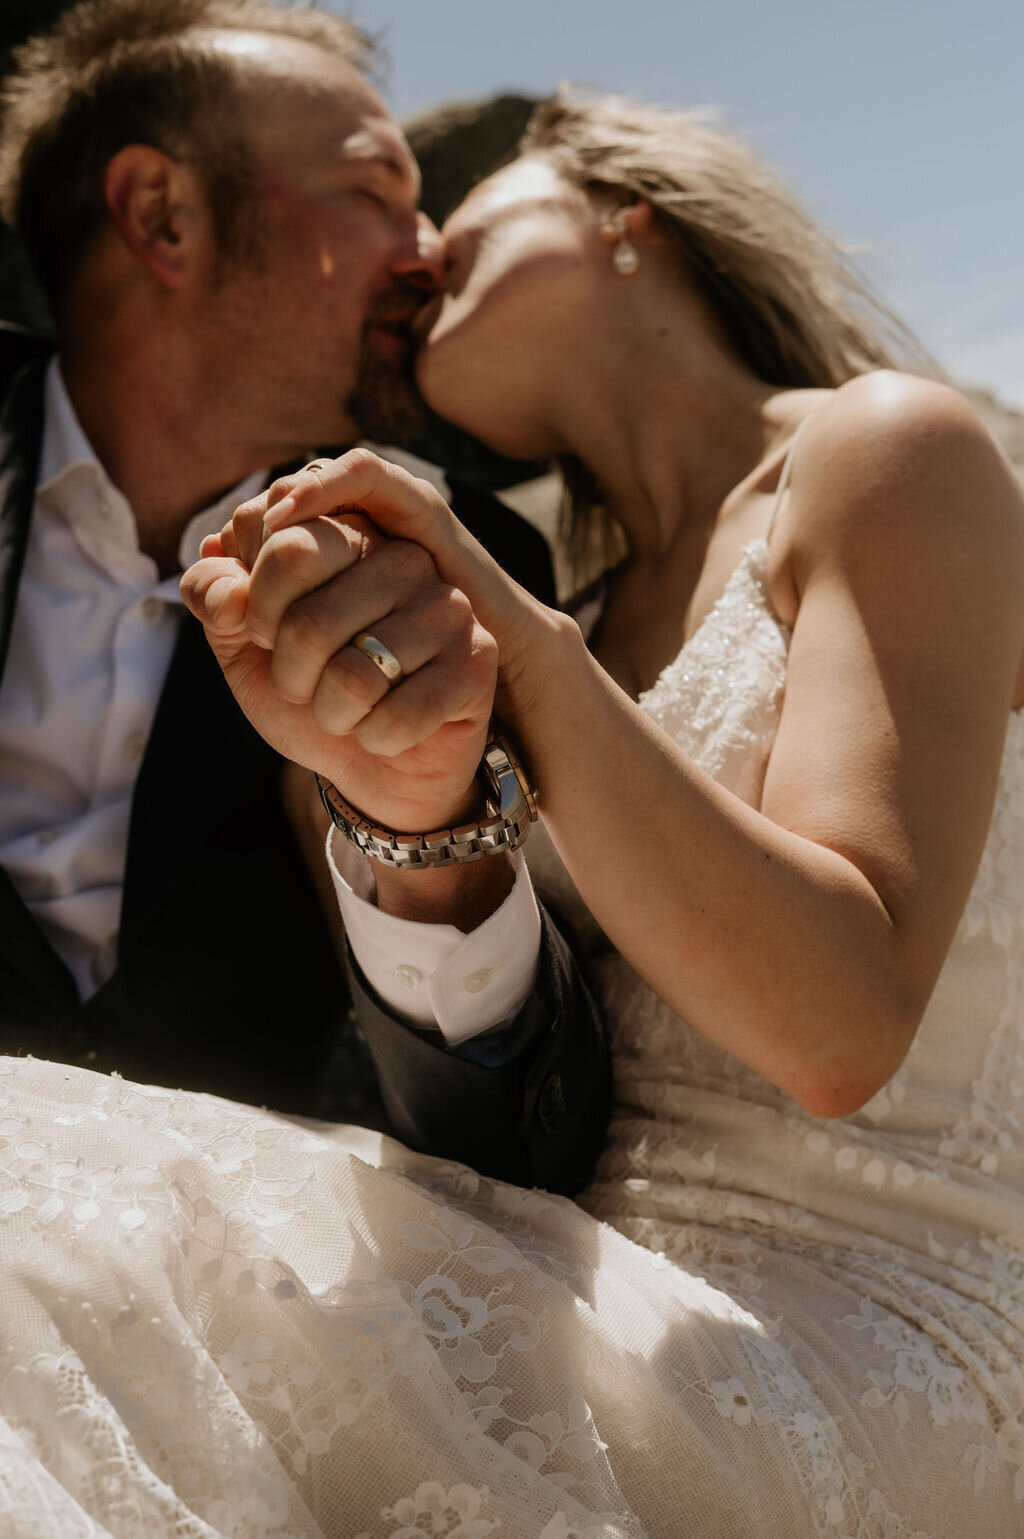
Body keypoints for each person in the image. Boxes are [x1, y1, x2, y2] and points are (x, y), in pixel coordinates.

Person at [1, 89, 1022, 1536]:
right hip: (578, 1289)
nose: (417, 263)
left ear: (628, 217)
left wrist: (529, 651)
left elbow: (840, 1021)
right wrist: (382, 797)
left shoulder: (885, 451)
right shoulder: (555, 617)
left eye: (458, 220)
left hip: (864, 1337)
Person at [0, 0, 608, 1191]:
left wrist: (423, 844)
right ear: (164, 218)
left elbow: (512, 1148)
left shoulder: (458, 585)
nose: (427, 251)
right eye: (375, 192)